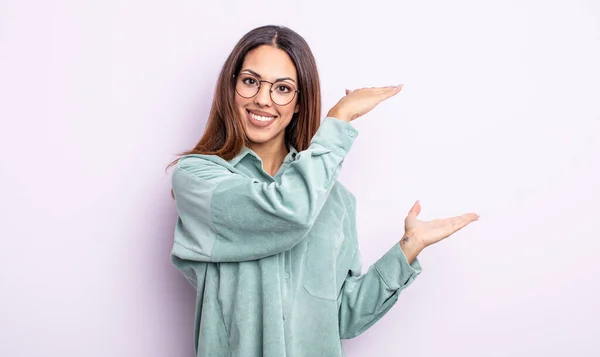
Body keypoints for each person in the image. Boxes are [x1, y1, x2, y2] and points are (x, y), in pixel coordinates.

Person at [167, 25, 479, 357]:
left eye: (283, 88)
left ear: (299, 103)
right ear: (231, 88)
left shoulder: (333, 197)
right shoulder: (198, 178)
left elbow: (341, 318)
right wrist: (339, 118)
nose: (262, 98)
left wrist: (406, 250)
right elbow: (289, 211)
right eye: (250, 81)